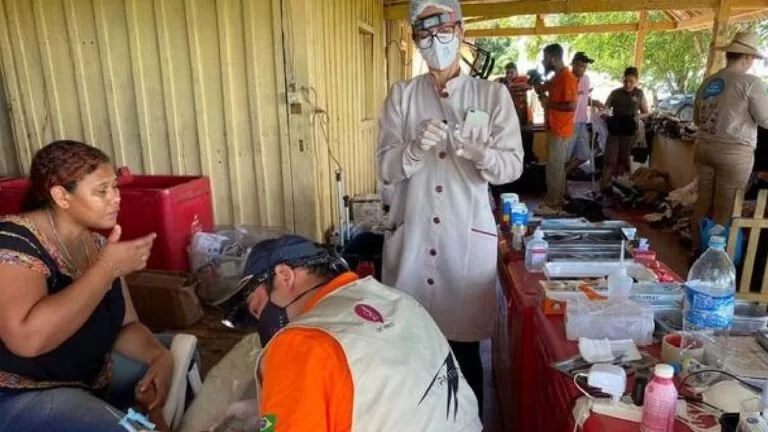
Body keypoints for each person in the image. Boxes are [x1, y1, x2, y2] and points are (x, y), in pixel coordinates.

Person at [376, 0, 523, 411]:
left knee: (463, 355)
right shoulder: (403, 96)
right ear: (416, 40)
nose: (435, 40)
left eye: (444, 30)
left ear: (459, 31)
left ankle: (468, 421)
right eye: (425, 33)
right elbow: (384, 167)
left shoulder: (491, 96)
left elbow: (512, 166)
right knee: (410, 352)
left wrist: (482, 155)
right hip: (413, 235)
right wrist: (411, 149)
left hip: (464, 241)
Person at [217, 235, 483, 432]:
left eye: (257, 308)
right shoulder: (398, 301)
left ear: (284, 276)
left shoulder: (300, 344)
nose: (261, 321)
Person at [0, 140, 172, 432]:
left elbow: (125, 325)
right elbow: (26, 339)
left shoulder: (98, 244)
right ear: (61, 196)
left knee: (180, 353)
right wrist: (106, 270)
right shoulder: (14, 242)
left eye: (115, 187)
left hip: (87, 378)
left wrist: (159, 357)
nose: (116, 198)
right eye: (101, 191)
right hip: (22, 393)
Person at [690, 31, 768, 253]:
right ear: (747, 57)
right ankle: (713, 261)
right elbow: (765, 119)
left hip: (704, 147)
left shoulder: (708, 82)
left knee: (703, 203)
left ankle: (696, 251)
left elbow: (696, 119)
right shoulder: (750, 82)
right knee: (725, 209)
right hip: (734, 152)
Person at [535, 43, 578, 215]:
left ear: (553, 58)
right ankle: (557, 201)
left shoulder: (567, 77)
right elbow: (544, 90)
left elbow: (571, 106)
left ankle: (552, 205)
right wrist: (537, 85)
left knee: (554, 167)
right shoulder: (557, 77)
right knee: (556, 167)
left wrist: (549, 103)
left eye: (545, 58)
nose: (543, 61)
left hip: (561, 129)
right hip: (554, 128)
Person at [600, 66, 650, 192]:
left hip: (629, 131)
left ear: (636, 81)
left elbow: (646, 113)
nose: (628, 84)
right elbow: (605, 107)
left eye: (631, 82)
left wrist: (638, 117)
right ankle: (603, 187)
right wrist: (605, 113)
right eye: (625, 81)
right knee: (611, 161)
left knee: (623, 161)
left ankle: (618, 188)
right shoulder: (615, 93)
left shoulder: (639, 94)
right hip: (615, 129)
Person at [566, 52, 603, 176]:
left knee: (584, 155)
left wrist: (596, 102)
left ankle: (563, 175)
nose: (583, 69)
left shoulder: (586, 79)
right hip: (568, 124)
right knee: (566, 157)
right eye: (581, 66)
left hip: (582, 121)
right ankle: (563, 186)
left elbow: (584, 99)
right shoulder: (566, 80)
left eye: (585, 67)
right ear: (573, 65)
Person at [497, 61, 536, 165]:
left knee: (527, 141)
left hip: (525, 117)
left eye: (511, 72)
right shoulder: (504, 83)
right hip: (512, 118)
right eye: (507, 73)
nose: (509, 75)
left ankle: (528, 163)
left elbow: (528, 86)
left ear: (516, 72)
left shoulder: (522, 79)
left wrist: (512, 85)